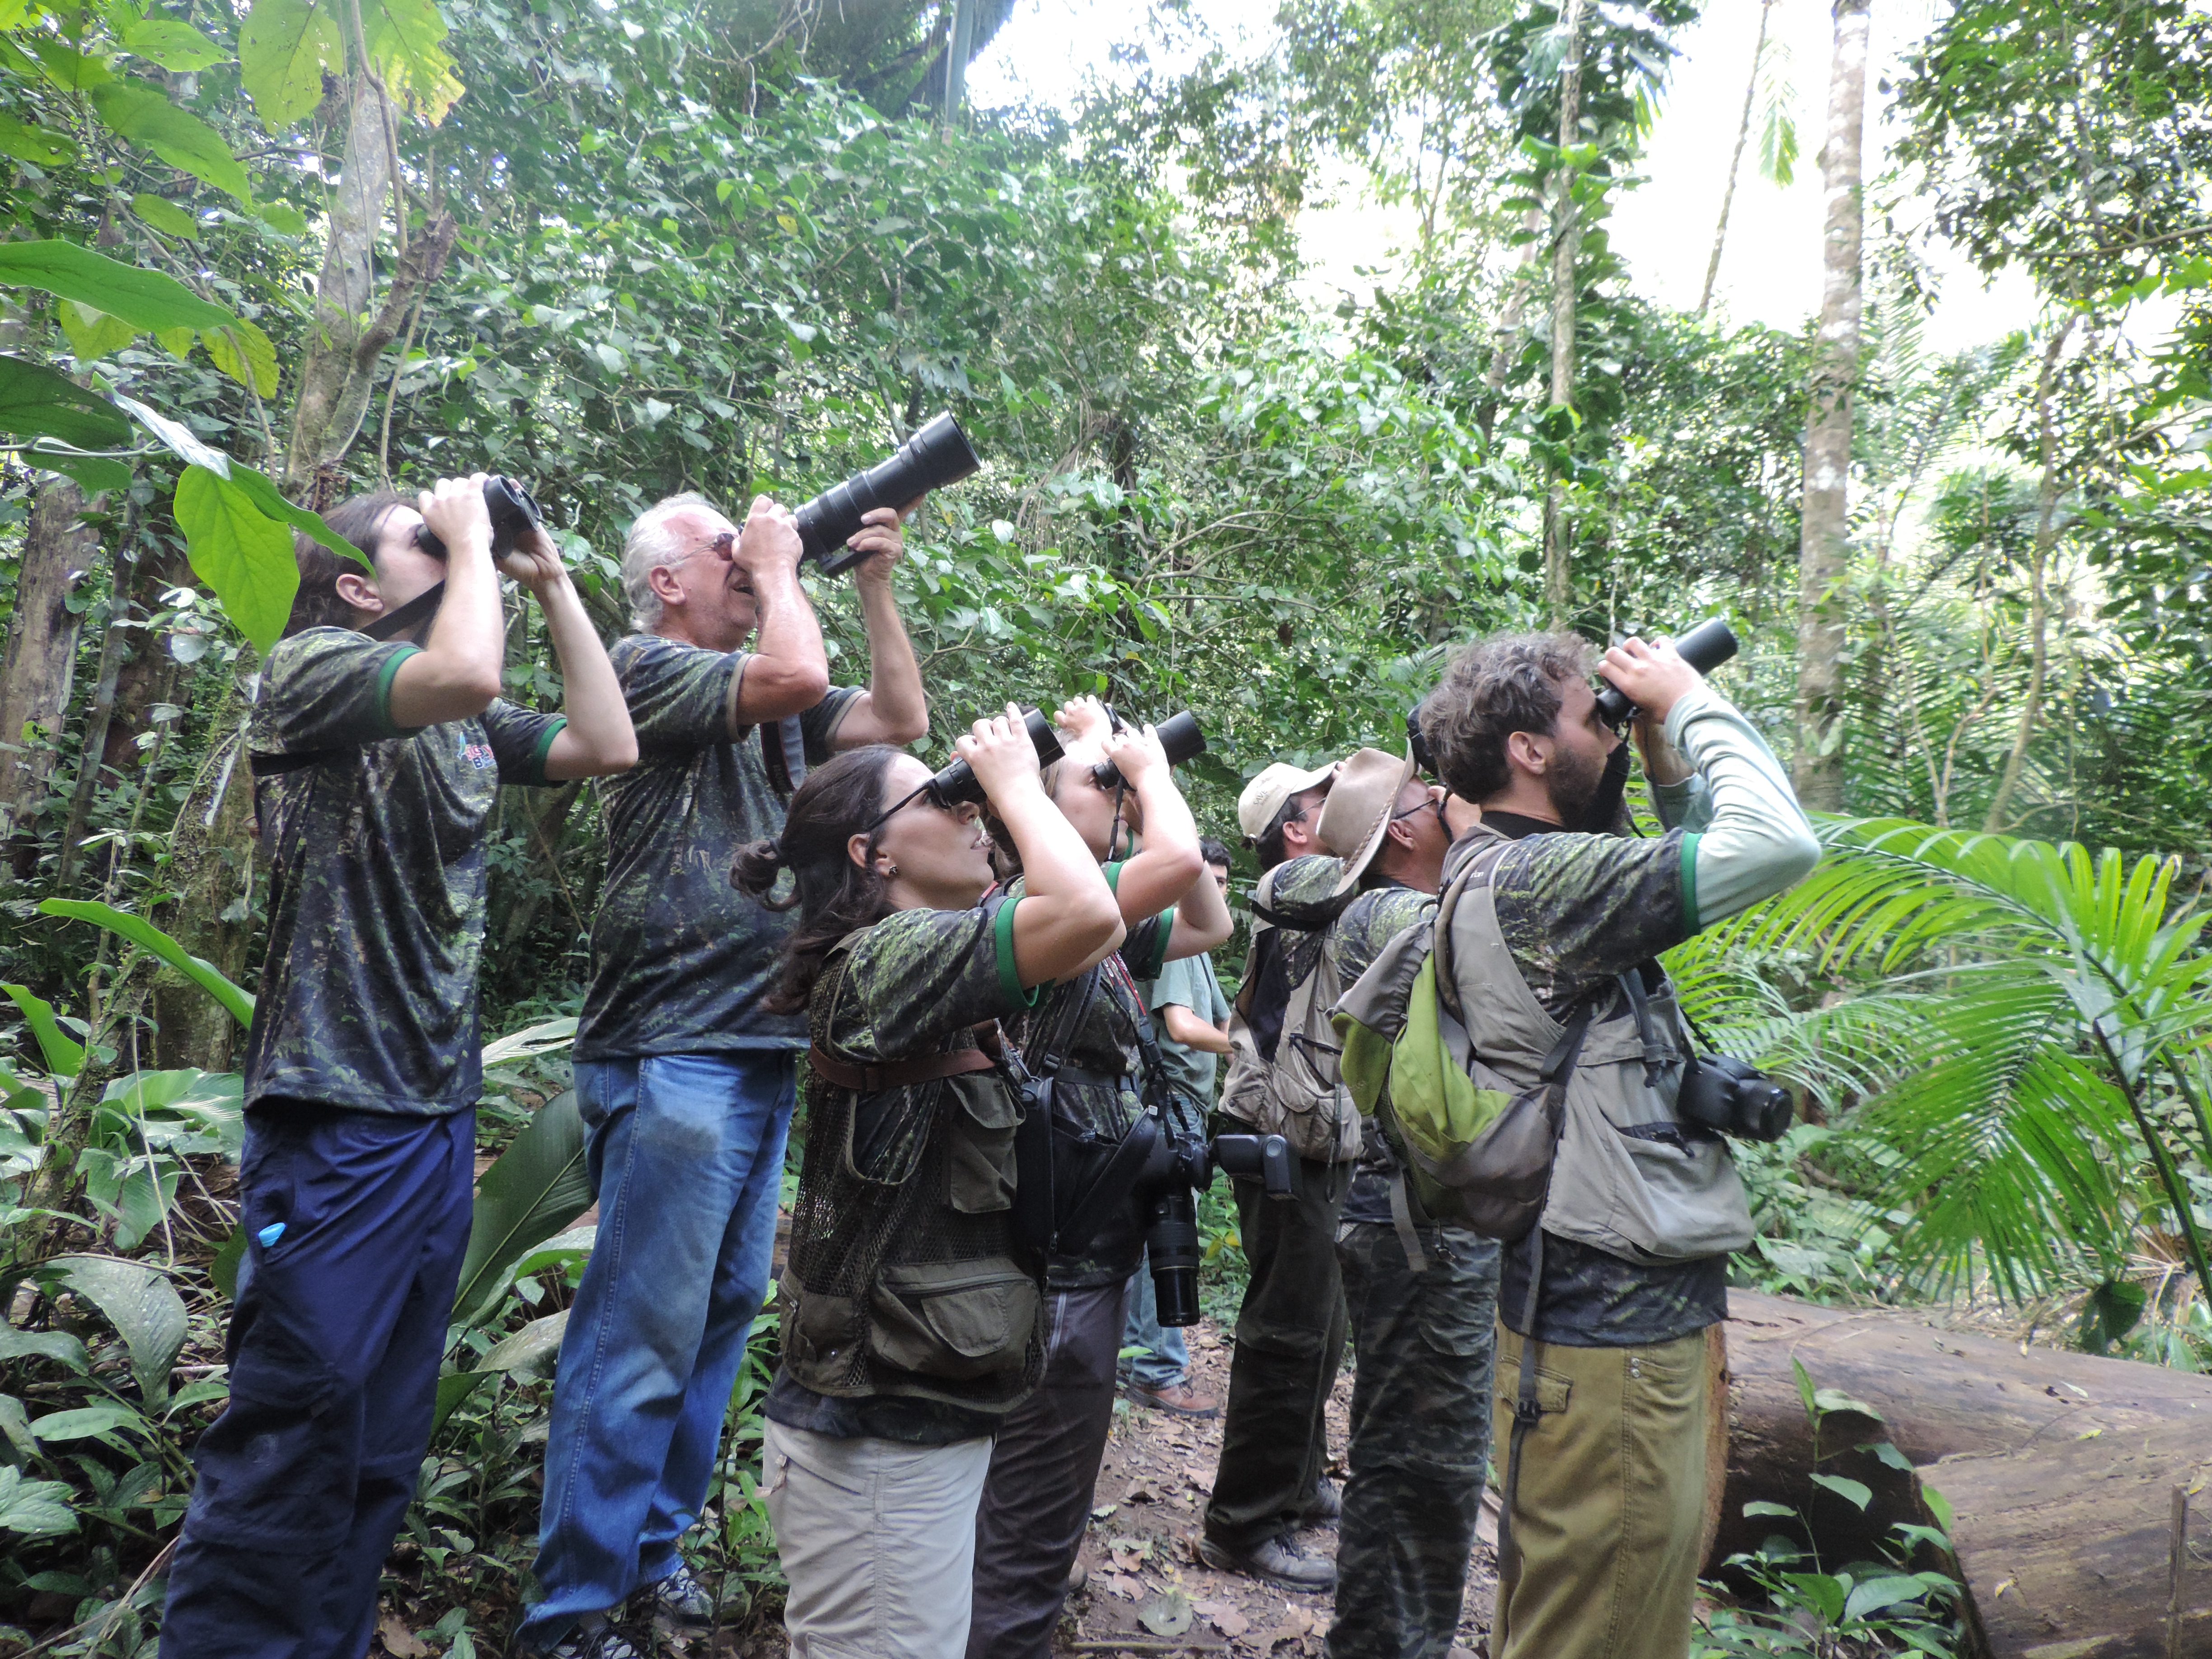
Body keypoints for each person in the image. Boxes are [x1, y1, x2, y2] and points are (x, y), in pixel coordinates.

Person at [159, 478, 637, 1659]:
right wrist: (472, 539)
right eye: (425, 542)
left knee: (378, 1444)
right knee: (296, 1430)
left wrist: (551, 580)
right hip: (333, 1116)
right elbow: (465, 670)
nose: (455, 550)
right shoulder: (314, 667)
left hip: (429, 1122)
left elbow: (606, 742)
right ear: (364, 585)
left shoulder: (460, 726)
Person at [519, 492, 928, 1659]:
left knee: (717, 1323)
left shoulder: (772, 691)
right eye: (725, 553)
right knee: (640, 1332)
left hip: (757, 1048)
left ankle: (647, 1565)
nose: (745, 565)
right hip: (672, 1045)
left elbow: (900, 714)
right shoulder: (644, 667)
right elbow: (795, 677)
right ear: (666, 581)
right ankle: (571, 1615)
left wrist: (872, 583)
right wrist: (785, 569)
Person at [1415, 632, 1820, 1659]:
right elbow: (1776, 843)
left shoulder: (1518, 870)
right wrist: (1686, 699)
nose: (1610, 717)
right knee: (1600, 1636)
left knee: (1584, 1619)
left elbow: (1673, 860)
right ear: (1528, 749)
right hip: (1611, 1345)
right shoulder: (1540, 881)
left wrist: (1650, 746)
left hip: (1594, 1320)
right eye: (1589, 713)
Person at [733, 715, 1127, 1659]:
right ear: (871, 853)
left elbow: (1111, 910)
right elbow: (1086, 914)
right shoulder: (883, 962)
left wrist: (1056, 788)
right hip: (874, 1432)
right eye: (943, 798)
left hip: (919, 1414)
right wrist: (1020, 789)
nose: (970, 812)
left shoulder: (937, 961)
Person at [968, 698, 1234, 1659]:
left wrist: (1140, 778)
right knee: (1035, 1476)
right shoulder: (1041, 910)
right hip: (1054, 1246)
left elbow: (1209, 915)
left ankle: (1011, 1619)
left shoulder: (1104, 919)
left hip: (1080, 1226)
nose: (1118, 788)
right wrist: (1152, 775)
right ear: (1030, 806)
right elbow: (1172, 870)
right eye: (1097, 781)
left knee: (1047, 1472)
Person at [1301, 751, 1495, 1659]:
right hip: (1421, 1236)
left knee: (1432, 1460)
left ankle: (1396, 1637)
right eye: (1439, 798)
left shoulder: (1399, 909)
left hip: (1426, 1227)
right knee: (1420, 1462)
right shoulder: (1386, 912)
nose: (1457, 805)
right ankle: (1384, 1643)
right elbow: (1501, 925)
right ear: (1409, 830)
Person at [1200, 759, 1355, 1592]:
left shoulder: (1321, 888)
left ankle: (1299, 1480)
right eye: (1326, 799)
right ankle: (1245, 1522)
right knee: (1288, 1330)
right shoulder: (1297, 880)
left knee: (1322, 1324)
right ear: (1294, 830)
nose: (1346, 807)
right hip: (1276, 1135)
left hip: (1309, 1134)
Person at [1120, 838, 1234, 1418]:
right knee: (1165, 1235)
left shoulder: (1200, 949)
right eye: (1205, 879)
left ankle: (1133, 1355)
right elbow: (1184, 1026)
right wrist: (1251, 1051)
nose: (1215, 891)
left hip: (1179, 1103)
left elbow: (1218, 1017)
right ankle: (1156, 1369)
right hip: (1167, 1105)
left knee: (1146, 1231)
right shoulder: (1175, 937)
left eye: (1221, 881)